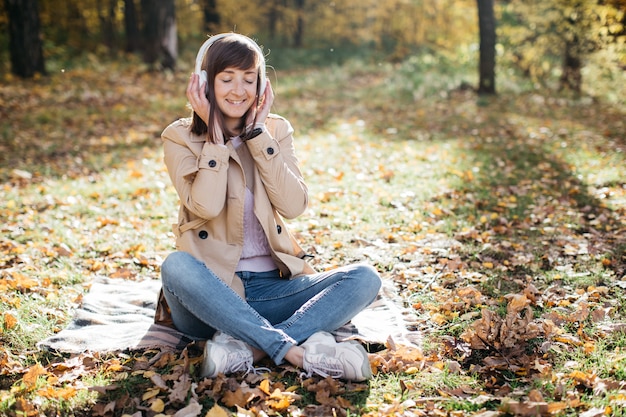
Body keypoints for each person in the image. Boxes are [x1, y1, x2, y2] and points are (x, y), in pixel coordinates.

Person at [155, 32, 382, 382]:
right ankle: (296, 350)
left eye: (249, 79)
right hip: (212, 293)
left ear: (261, 85)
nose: (238, 90)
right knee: (176, 266)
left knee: (365, 278)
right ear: (203, 83)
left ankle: (252, 349)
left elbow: (293, 206)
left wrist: (258, 137)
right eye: (226, 78)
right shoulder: (179, 136)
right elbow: (206, 205)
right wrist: (216, 140)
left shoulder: (275, 130)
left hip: (273, 289)